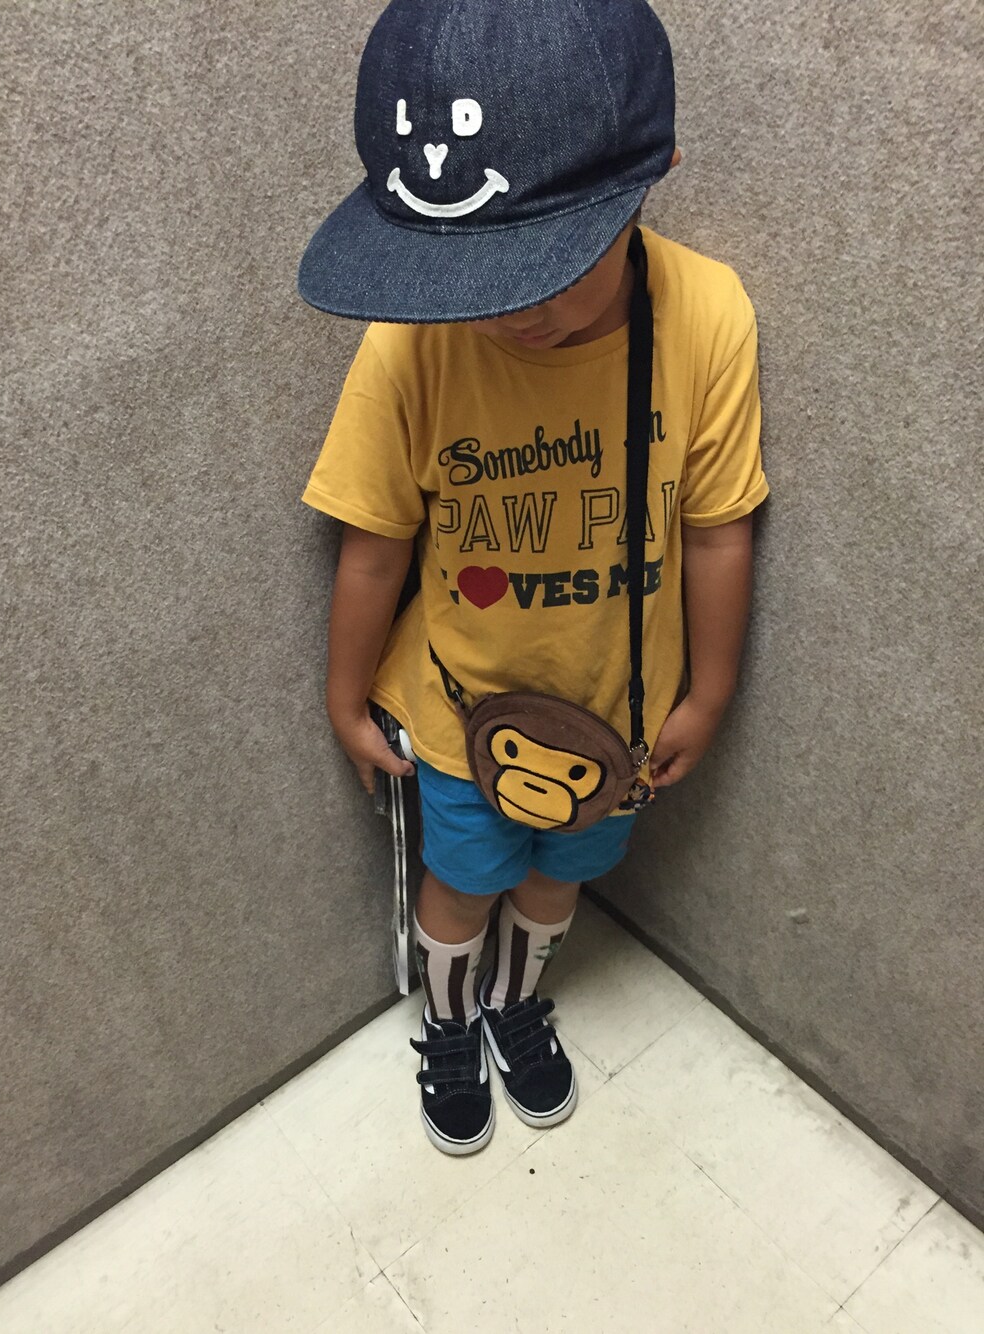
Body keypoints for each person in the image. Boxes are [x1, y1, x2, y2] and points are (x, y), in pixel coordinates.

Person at [298, 0, 769, 1155]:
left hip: (621, 721)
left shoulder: (706, 315)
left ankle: (515, 1001)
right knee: (461, 881)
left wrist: (708, 694)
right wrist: (344, 696)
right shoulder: (412, 339)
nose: (508, 308)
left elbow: (718, 526)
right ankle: (447, 1018)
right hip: (458, 714)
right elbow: (374, 540)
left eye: (543, 266)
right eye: (470, 271)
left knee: (563, 876)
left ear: (649, 175)